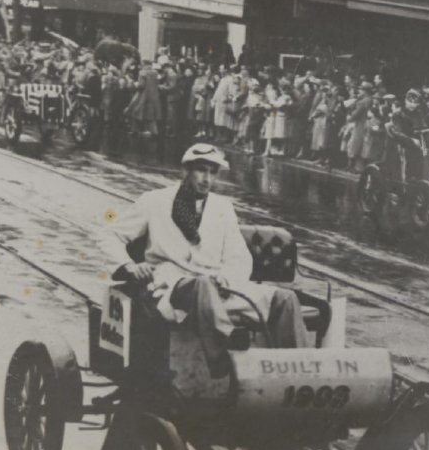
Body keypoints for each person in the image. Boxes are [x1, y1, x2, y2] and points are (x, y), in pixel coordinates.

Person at [101, 143, 310, 377]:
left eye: (212, 172)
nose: (207, 179)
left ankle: (302, 375)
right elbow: (110, 233)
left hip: (220, 289)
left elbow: (239, 258)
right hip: (173, 286)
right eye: (201, 170)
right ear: (185, 171)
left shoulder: (223, 208)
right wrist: (128, 265)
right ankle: (224, 345)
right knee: (202, 285)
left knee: (285, 299)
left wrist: (227, 278)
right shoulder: (154, 201)